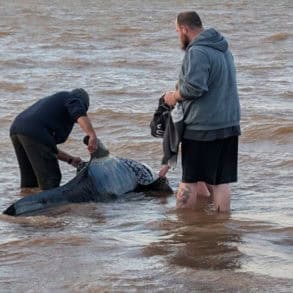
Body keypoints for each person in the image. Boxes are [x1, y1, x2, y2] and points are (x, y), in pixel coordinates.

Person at [161, 11, 241, 212]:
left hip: (202, 127)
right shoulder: (223, 48)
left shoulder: (197, 52)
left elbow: (194, 88)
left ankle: (183, 230)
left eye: (177, 31)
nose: (178, 35)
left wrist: (173, 96)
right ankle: (222, 226)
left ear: (185, 29)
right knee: (221, 182)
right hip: (229, 123)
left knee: (189, 180)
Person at [10, 88, 98, 190]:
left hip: (17, 129)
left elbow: (46, 148)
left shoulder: (54, 108)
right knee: (51, 179)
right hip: (33, 131)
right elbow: (79, 112)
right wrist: (92, 135)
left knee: (30, 182)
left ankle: (25, 202)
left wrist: (71, 160)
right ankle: (50, 206)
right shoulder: (73, 98)